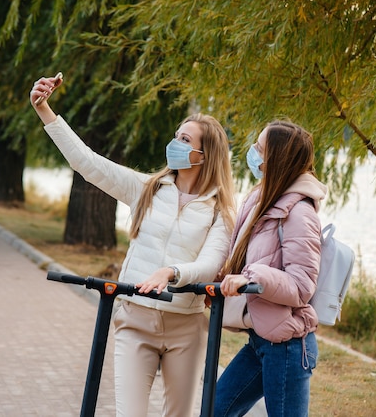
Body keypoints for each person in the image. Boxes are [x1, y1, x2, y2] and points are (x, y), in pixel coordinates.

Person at [30, 74, 236, 416]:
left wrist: (171, 272)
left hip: (186, 326)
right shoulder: (148, 190)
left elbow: (211, 264)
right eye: (176, 137)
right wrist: (45, 111)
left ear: (204, 155)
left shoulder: (221, 211)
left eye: (185, 140)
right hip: (135, 319)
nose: (176, 144)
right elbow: (87, 163)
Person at [215, 120, 327, 417]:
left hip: (288, 347)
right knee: (216, 409)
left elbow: (302, 286)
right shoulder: (261, 200)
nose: (253, 152)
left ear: (276, 159)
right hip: (261, 340)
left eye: (260, 148)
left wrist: (250, 276)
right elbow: (242, 257)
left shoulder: (299, 213)